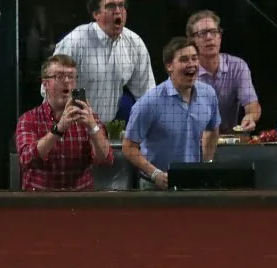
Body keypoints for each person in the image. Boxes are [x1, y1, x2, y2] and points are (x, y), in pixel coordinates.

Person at [122, 37, 219, 190]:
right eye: (184, 59)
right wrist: (155, 174)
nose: (192, 64)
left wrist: (206, 165)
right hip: (154, 186)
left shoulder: (209, 94)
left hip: (194, 183)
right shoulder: (149, 102)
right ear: (169, 66)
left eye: (194, 58)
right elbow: (129, 147)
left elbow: (213, 129)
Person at [15, 54, 113, 191]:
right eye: (59, 77)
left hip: (79, 202)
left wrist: (93, 127)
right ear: (45, 84)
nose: (67, 81)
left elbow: (105, 160)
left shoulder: (89, 118)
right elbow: (27, 159)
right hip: (39, 202)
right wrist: (59, 128)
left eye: (71, 76)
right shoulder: (29, 119)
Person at [52, 0, 155, 123]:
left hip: (103, 130)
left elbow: (148, 96)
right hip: (67, 127)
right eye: (110, 6)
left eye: (121, 6)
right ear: (96, 14)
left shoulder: (134, 43)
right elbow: (49, 90)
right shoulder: (74, 42)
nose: (118, 11)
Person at [187, 10, 259, 133]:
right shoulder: (186, 70)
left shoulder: (237, 66)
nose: (209, 37)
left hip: (228, 142)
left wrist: (250, 117)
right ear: (192, 40)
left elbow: (252, 105)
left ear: (220, 37)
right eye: (203, 33)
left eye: (214, 32)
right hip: (193, 142)